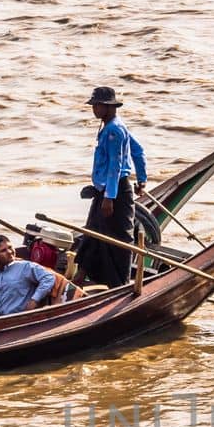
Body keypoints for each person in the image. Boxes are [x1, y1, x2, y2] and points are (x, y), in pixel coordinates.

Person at [78, 85, 148, 288]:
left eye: (97, 106)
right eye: (94, 105)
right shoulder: (111, 126)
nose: (94, 109)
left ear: (108, 107)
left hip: (116, 191)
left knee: (120, 239)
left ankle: (121, 284)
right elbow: (138, 151)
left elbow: (115, 166)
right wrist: (142, 178)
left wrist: (109, 198)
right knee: (93, 232)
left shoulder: (114, 130)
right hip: (105, 189)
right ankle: (82, 276)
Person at [0, 234, 79, 320]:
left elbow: (48, 278)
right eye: (3, 250)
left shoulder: (25, 267)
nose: (10, 252)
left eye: (10, 247)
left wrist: (34, 300)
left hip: (18, 319)